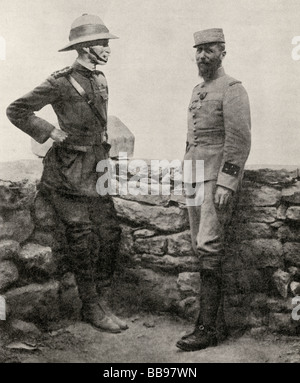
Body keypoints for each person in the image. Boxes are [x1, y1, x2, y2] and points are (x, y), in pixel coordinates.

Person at [6, 14, 128, 333]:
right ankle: (91, 307)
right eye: (102, 44)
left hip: (97, 168)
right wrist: (49, 131)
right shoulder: (59, 82)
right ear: (86, 47)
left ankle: (99, 299)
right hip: (67, 173)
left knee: (111, 233)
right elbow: (16, 110)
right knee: (83, 238)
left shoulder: (100, 79)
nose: (107, 49)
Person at [176, 28, 251, 351]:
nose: (202, 56)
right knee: (198, 244)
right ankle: (215, 322)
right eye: (198, 50)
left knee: (209, 244)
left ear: (223, 51)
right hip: (194, 175)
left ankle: (206, 329)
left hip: (215, 179)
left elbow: (239, 140)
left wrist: (227, 182)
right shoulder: (198, 89)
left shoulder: (232, 89)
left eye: (209, 50)